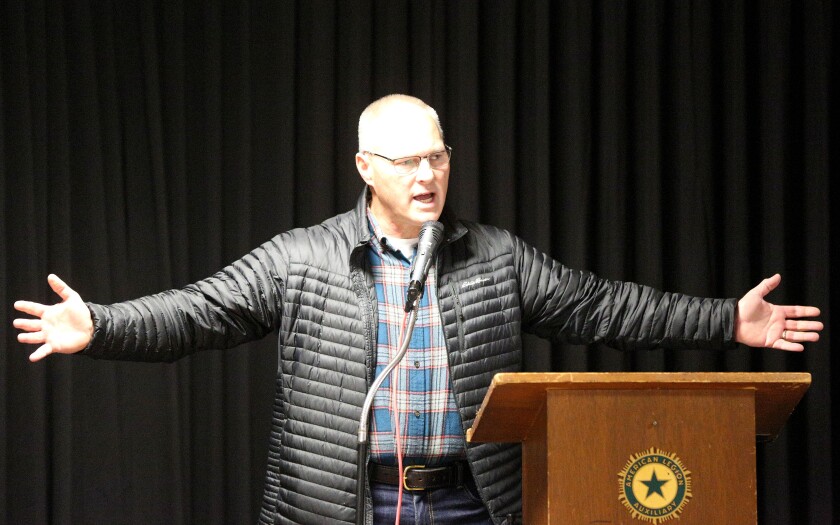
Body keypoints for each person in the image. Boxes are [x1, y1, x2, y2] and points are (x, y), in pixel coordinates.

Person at [13, 94, 823, 525]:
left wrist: (727, 319)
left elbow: (603, 306)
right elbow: (197, 313)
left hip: (475, 502)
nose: (429, 173)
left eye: (437, 154)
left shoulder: (497, 256)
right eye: (407, 160)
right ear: (367, 166)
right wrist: (104, 324)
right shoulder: (300, 257)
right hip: (339, 506)